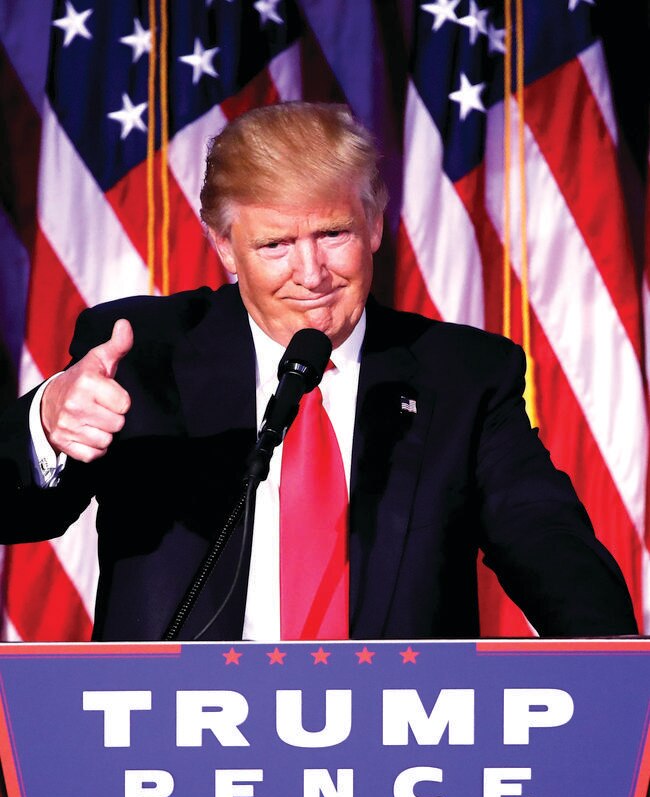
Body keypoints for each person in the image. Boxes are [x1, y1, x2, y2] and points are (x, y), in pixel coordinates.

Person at [0, 101, 638, 641]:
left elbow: (550, 549)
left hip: (395, 745)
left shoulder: (463, 375)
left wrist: (616, 682)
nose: (311, 275)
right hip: (176, 745)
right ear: (224, 245)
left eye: (333, 233)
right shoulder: (143, 354)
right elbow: (18, 514)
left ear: (375, 225)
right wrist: (46, 422)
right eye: (275, 244)